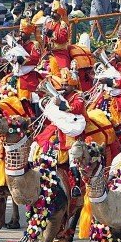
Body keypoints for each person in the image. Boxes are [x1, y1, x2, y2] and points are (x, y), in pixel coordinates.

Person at [51, 67, 86, 197]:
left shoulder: (79, 95)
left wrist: (60, 104)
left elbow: (76, 108)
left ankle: (76, 186)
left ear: (72, 85)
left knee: (73, 156)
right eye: (63, 84)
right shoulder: (61, 95)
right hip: (60, 130)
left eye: (66, 85)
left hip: (75, 132)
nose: (64, 87)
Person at [44, 0, 71, 74]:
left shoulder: (63, 25)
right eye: (52, 12)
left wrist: (52, 34)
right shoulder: (48, 24)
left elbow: (62, 39)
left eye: (55, 12)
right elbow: (46, 40)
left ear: (60, 14)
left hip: (60, 53)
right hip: (49, 52)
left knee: (64, 72)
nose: (52, 14)